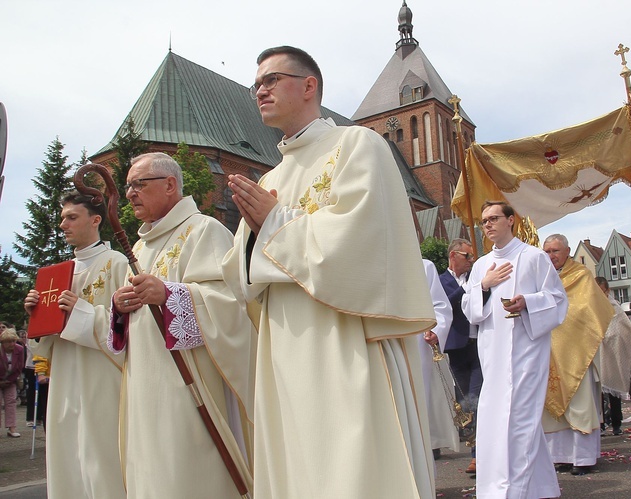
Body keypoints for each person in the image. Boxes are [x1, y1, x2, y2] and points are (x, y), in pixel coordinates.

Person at [222, 45, 436, 498]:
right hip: (284, 345)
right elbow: (241, 277)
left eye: (271, 80)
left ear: (309, 86)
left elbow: (365, 241)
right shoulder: (270, 178)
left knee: (349, 465)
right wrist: (255, 237)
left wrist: (275, 223)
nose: (259, 90)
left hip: (343, 337)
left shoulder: (358, 144)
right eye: (255, 84)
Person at [110, 152, 255, 497]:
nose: (130, 193)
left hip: (188, 384)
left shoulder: (204, 231)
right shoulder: (140, 248)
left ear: (170, 185)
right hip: (145, 384)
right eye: (127, 186)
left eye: (138, 184)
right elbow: (129, 326)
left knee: (186, 475)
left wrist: (170, 294)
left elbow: (232, 306)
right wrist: (119, 308)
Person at [22, 190, 128, 498]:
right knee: (67, 455)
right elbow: (46, 343)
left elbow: (129, 327)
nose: (63, 225)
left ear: (95, 220)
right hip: (65, 378)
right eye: (61, 218)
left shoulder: (116, 263)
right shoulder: (56, 274)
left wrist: (79, 311)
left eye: (71, 217)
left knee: (101, 458)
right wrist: (37, 318)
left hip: (102, 377)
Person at [462, 201, 568, 498]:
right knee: (496, 419)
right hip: (493, 354)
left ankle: (511, 491)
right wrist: (483, 286)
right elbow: (470, 311)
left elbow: (558, 300)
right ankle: (539, 487)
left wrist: (528, 303)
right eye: (484, 221)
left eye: (494, 218)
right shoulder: (481, 265)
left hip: (527, 351)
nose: (488, 225)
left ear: (511, 220)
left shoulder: (534, 258)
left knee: (521, 419)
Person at [542, 234, 612, 476]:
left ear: (567, 251)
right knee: (553, 409)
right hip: (549, 352)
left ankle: (583, 458)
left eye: (555, 251)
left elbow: (589, 309)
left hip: (576, 351)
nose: (551, 256)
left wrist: (563, 320)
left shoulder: (581, 275)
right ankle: (560, 456)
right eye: (547, 251)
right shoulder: (541, 278)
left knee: (580, 406)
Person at [439, 238, 482, 473]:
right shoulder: (440, 281)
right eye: (467, 256)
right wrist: (468, 289)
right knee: (465, 403)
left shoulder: (476, 277)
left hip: (479, 345)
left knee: (478, 399)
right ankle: (474, 449)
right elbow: (444, 303)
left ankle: (479, 456)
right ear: (454, 255)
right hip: (457, 349)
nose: (471, 261)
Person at [419, 259, 460, 461]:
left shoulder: (423, 266)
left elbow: (440, 306)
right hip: (379, 344)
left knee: (419, 404)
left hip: (416, 343)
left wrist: (436, 329)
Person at [595, 277, 631, 436]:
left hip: (613, 353)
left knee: (613, 390)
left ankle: (616, 422)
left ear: (607, 291)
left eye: (603, 291)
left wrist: (612, 337)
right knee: (597, 391)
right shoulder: (591, 307)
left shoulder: (616, 308)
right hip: (597, 354)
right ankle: (599, 423)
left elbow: (626, 329)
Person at [0, 328, 24, 437]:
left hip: (11, 380)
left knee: (11, 403)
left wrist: (9, 380)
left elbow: (19, 367)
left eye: (13, 341)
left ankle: (12, 428)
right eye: (9, 341)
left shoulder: (19, 349)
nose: (12, 344)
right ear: (3, 342)